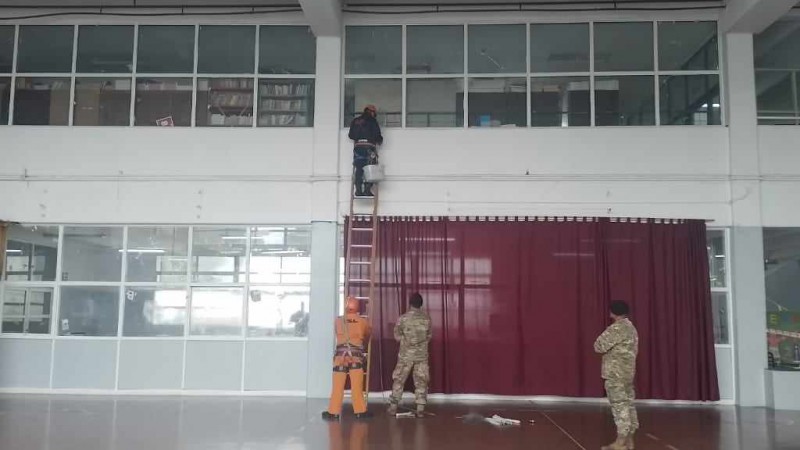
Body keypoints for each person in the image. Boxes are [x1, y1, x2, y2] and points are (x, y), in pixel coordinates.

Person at [594, 300, 640, 450]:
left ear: (613, 312)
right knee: (629, 405)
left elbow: (599, 346)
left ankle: (620, 443)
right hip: (627, 373)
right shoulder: (631, 328)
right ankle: (629, 441)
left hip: (615, 374)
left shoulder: (616, 328)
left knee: (619, 407)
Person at [323, 296, 373, 420]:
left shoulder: (338, 321)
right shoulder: (362, 322)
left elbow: (337, 334)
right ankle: (360, 411)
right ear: (357, 307)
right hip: (356, 358)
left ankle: (333, 412)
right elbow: (368, 335)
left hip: (340, 358)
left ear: (345, 306)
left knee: (337, 387)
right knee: (356, 387)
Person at [387, 293, 432, 418]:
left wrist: (405, 341)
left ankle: (393, 408)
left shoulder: (403, 319)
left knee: (399, 380)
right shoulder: (426, 319)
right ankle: (420, 410)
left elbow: (396, 336)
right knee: (421, 381)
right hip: (421, 356)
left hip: (405, 356)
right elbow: (429, 336)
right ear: (421, 304)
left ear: (410, 303)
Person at [347, 104, 383, 198]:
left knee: (359, 169)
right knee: (370, 168)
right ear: (371, 112)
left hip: (358, 149)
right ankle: (367, 190)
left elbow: (351, 135)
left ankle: (358, 190)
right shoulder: (372, 121)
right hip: (369, 148)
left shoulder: (355, 121)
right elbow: (377, 135)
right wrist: (379, 140)